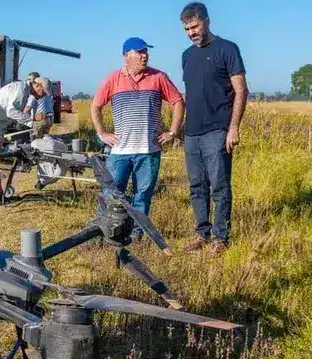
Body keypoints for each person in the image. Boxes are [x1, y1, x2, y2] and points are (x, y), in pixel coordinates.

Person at [90, 37, 184, 240]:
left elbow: (178, 101)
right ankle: (102, 234)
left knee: (143, 196)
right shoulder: (113, 78)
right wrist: (101, 133)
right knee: (111, 194)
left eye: (146, 52)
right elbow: (95, 106)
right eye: (139, 52)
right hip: (119, 152)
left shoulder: (158, 77)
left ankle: (136, 235)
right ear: (126, 56)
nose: (144, 56)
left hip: (149, 152)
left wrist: (173, 131)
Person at [179, 2, 248, 255]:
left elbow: (241, 90)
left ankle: (221, 237)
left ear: (207, 21)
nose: (191, 33)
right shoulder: (187, 55)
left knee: (219, 186)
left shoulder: (227, 49)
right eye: (187, 29)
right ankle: (201, 233)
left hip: (218, 130)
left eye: (195, 27)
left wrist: (233, 128)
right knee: (197, 186)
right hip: (192, 132)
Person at [0, 76, 49, 206]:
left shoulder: (24, 90)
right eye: (44, 92)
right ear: (38, 86)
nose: (43, 96)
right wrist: (32, 119)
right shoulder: (21, 89)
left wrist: (30, 120)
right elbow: (11, 112)